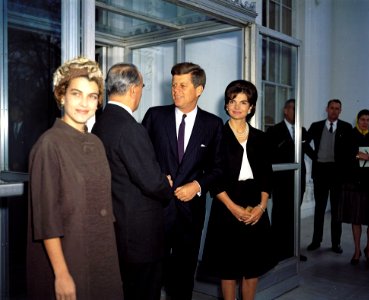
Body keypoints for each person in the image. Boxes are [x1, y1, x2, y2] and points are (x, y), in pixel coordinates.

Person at [27, 57, 123, 299]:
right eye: (76, 94)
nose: (84, 103)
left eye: (92, 96)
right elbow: (46, 219)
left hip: (101, 252)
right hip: (70, 255)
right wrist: (61, 274)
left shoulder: (96, 142)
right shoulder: (49, 144)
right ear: (62, 96)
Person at [142, 62, 223, 300]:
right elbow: (141, 158)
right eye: (174, 85)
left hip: (190, 214)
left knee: (183, 276)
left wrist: (197, 186)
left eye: (183, 85)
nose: (175, 90)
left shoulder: (213, 124)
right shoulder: (155, 116)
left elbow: (218, 169)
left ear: (199, 90)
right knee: (151, 274)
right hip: (155, 211)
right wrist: (157, 179)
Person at [92, 63, 173, 300]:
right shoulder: (130, 128)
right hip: (140, 237)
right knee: (144, 292)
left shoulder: (101, 123)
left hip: (117, 227)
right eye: (143, 86)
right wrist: (165, 183)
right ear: (135, 89)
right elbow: (151, 182)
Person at [202, 80, 277, 300]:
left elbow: (266, 176)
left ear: (251, 107)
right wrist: (233, 208)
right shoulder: (216, 137)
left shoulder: (261, 138)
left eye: (243, 102)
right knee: (228, 269)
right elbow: (214, 180)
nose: (237, 106)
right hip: (226, 204)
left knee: (252, 267)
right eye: (232, 101)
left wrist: (261, 207)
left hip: (255, 205)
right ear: (226, 105)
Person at [267, 99, 313, 262]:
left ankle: (292, 250)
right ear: (285, 110)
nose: (296, 112)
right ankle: (275, 252)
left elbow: (310, 152)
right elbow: (270, 156)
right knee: (280, 216)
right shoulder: (274, 131)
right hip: (281, 181)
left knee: (293, 216)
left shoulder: (302, 130)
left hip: (298, 180)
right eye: (293, 109)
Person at [306, 99, 352, 253]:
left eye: (337, 108)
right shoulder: (316, 126)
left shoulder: (346, 127)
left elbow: (351, 150)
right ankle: (316, 241)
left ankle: (335, 243)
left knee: (336, 210)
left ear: (340, 110)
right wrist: (315, 157)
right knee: (319, 208)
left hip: (337, 174)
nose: (334, 111)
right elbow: (304, 144)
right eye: (331, 108)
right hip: (320, 172)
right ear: (327, 109)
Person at [339, 109, 369, 266]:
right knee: (356, 218)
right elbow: (341, 155)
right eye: (362, 119)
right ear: (357, 120)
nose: (365, 122)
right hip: (354, 184)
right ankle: (357, 250)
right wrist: (357, 155)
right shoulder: (349, 134)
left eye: (368, 119)